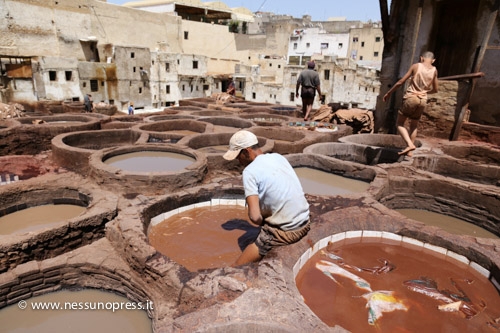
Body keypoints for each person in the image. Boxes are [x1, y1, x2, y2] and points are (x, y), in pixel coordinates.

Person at [223, 130, 311, 266]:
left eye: (238, 156)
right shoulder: (278, 157)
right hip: (305, 221)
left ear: (246, 152)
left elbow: (254, 217)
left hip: (288, 231)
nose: (238, 161)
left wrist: (262, 223)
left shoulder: (249, 171)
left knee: (237, 266)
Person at [383, 51, 439, 156]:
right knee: (414, 125)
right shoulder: (435, 70)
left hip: (411, 98)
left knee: (399, 123)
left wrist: (389, 93)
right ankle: (410, 153)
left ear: (421, 58)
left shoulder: (416, 66)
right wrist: (425, 92)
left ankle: (409, 144)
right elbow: (435, 89)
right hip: (422, 100)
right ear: (433, 60)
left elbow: (401, 82)